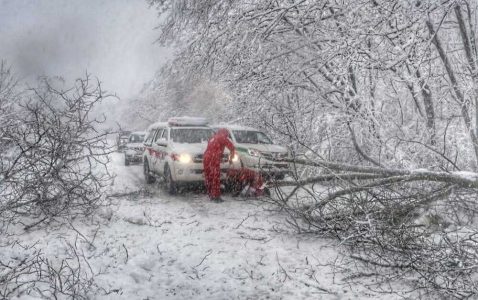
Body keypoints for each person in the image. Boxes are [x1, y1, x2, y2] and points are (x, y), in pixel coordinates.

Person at [203, 128, 235, 202]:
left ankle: (210, 194)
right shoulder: (222, 137)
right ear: (226, 133)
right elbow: (232, 148)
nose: (227, 136)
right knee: (215, 177)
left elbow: (212, 148)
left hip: (206, 158)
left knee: (209, 176)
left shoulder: (213, 137)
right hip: (213, 158)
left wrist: (219, 156)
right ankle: (216, 196)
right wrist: (230, 159)